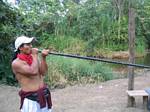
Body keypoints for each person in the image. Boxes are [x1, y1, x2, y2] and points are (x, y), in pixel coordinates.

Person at [11, 36, 52, 112]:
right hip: (31, 101)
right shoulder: (16, 63)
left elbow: (43, 72)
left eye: (31, 44)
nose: (31, 46)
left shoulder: (33, 59)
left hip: (43, 96)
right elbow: (33, 71)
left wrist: (43, 58)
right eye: (28, 44)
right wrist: (34, 55)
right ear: (20, 48)